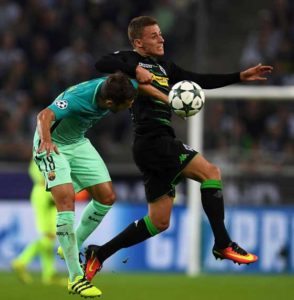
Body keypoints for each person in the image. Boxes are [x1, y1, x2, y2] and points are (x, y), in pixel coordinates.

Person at [83, 16, 273, 281]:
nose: (161, 38)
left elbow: (198, 79)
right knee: (211, 172)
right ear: (139, 42)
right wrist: (135, 71)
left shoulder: (166, 66)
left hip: (152, 145)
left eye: (161, 34)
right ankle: (223, 243)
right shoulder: (130, 60)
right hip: (154, 140)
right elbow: (102, 62)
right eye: (154, 36)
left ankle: (99, 254)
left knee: (159, 222)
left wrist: (240, 76)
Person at [33, 71, 167, 298]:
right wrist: (46, 140)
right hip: (51, 144)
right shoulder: (78, 99)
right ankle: (75, 278)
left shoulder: (121, 88)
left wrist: (169, 99)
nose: (131, 104)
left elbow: (140, 85)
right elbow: (44, 115)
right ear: (108, 103)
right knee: (67, 202)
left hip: (77, 142)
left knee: (106, 197)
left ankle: (72, 245)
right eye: (127, 104)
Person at [11, 159, 64, 285]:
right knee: (49, 236)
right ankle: (22, 261)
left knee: (48, 239)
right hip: (46, 191)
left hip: (40, 191)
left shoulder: (38, 154)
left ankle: (49, 274)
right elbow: (51, 174)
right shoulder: (47, 154)